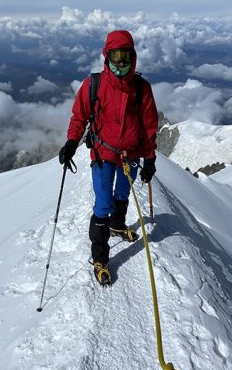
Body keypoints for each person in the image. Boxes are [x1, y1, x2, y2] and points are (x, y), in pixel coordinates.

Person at [59, 30, 159, 285]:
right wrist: (71, 141)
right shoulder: (93, 85)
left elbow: (149, 126)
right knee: (103, 204)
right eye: (116, 56)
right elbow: (79, 116)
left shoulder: (141, 88)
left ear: (133, 57)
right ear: (107, 56)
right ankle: (100, 257)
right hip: (103, 154)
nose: (121, 63)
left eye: (126, 56)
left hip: (132, 155)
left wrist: (150, 158)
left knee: (122, 194)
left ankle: (117, 225)